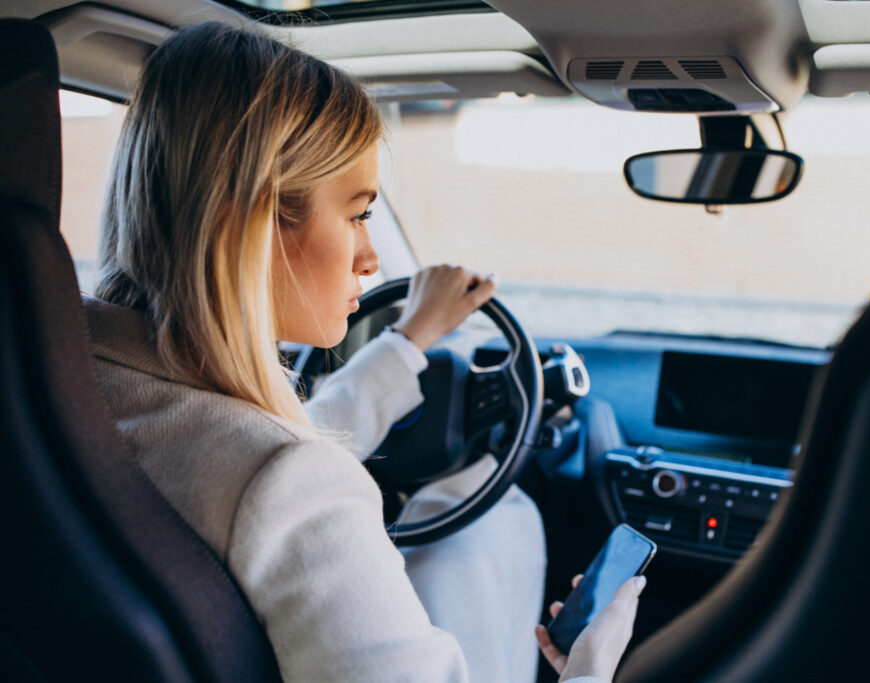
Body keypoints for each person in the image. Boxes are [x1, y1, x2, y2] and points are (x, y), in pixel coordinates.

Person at [86, 21, 644, 683]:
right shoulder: (287, 483)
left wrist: (410, 340)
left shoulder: (67, 387)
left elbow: (272, 446)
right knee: (497, 519)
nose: (371, 257)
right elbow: (280, 470)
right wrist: (589, 670)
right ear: (249, 226)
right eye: (356, 215)